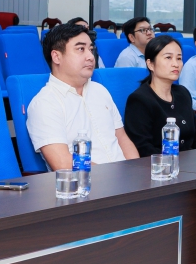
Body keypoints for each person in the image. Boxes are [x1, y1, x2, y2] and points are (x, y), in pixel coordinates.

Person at [26, 23, 138, 170]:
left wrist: (135, 171)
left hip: (126, 178)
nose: (91, 57)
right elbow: (63, 164)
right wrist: (117, 176)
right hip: (89, 181)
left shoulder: (100, 90)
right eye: (81, 49)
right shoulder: (45, 103)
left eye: (91, 49)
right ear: (57, 57)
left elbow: (122, 139)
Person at [123, 34, 196, 157]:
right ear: (150, 64)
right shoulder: (139, 100)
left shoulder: (183, 93)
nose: (175, 64)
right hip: (160, 166)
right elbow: (143, 149)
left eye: (179, 58)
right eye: (168, 58)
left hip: (190, 163)